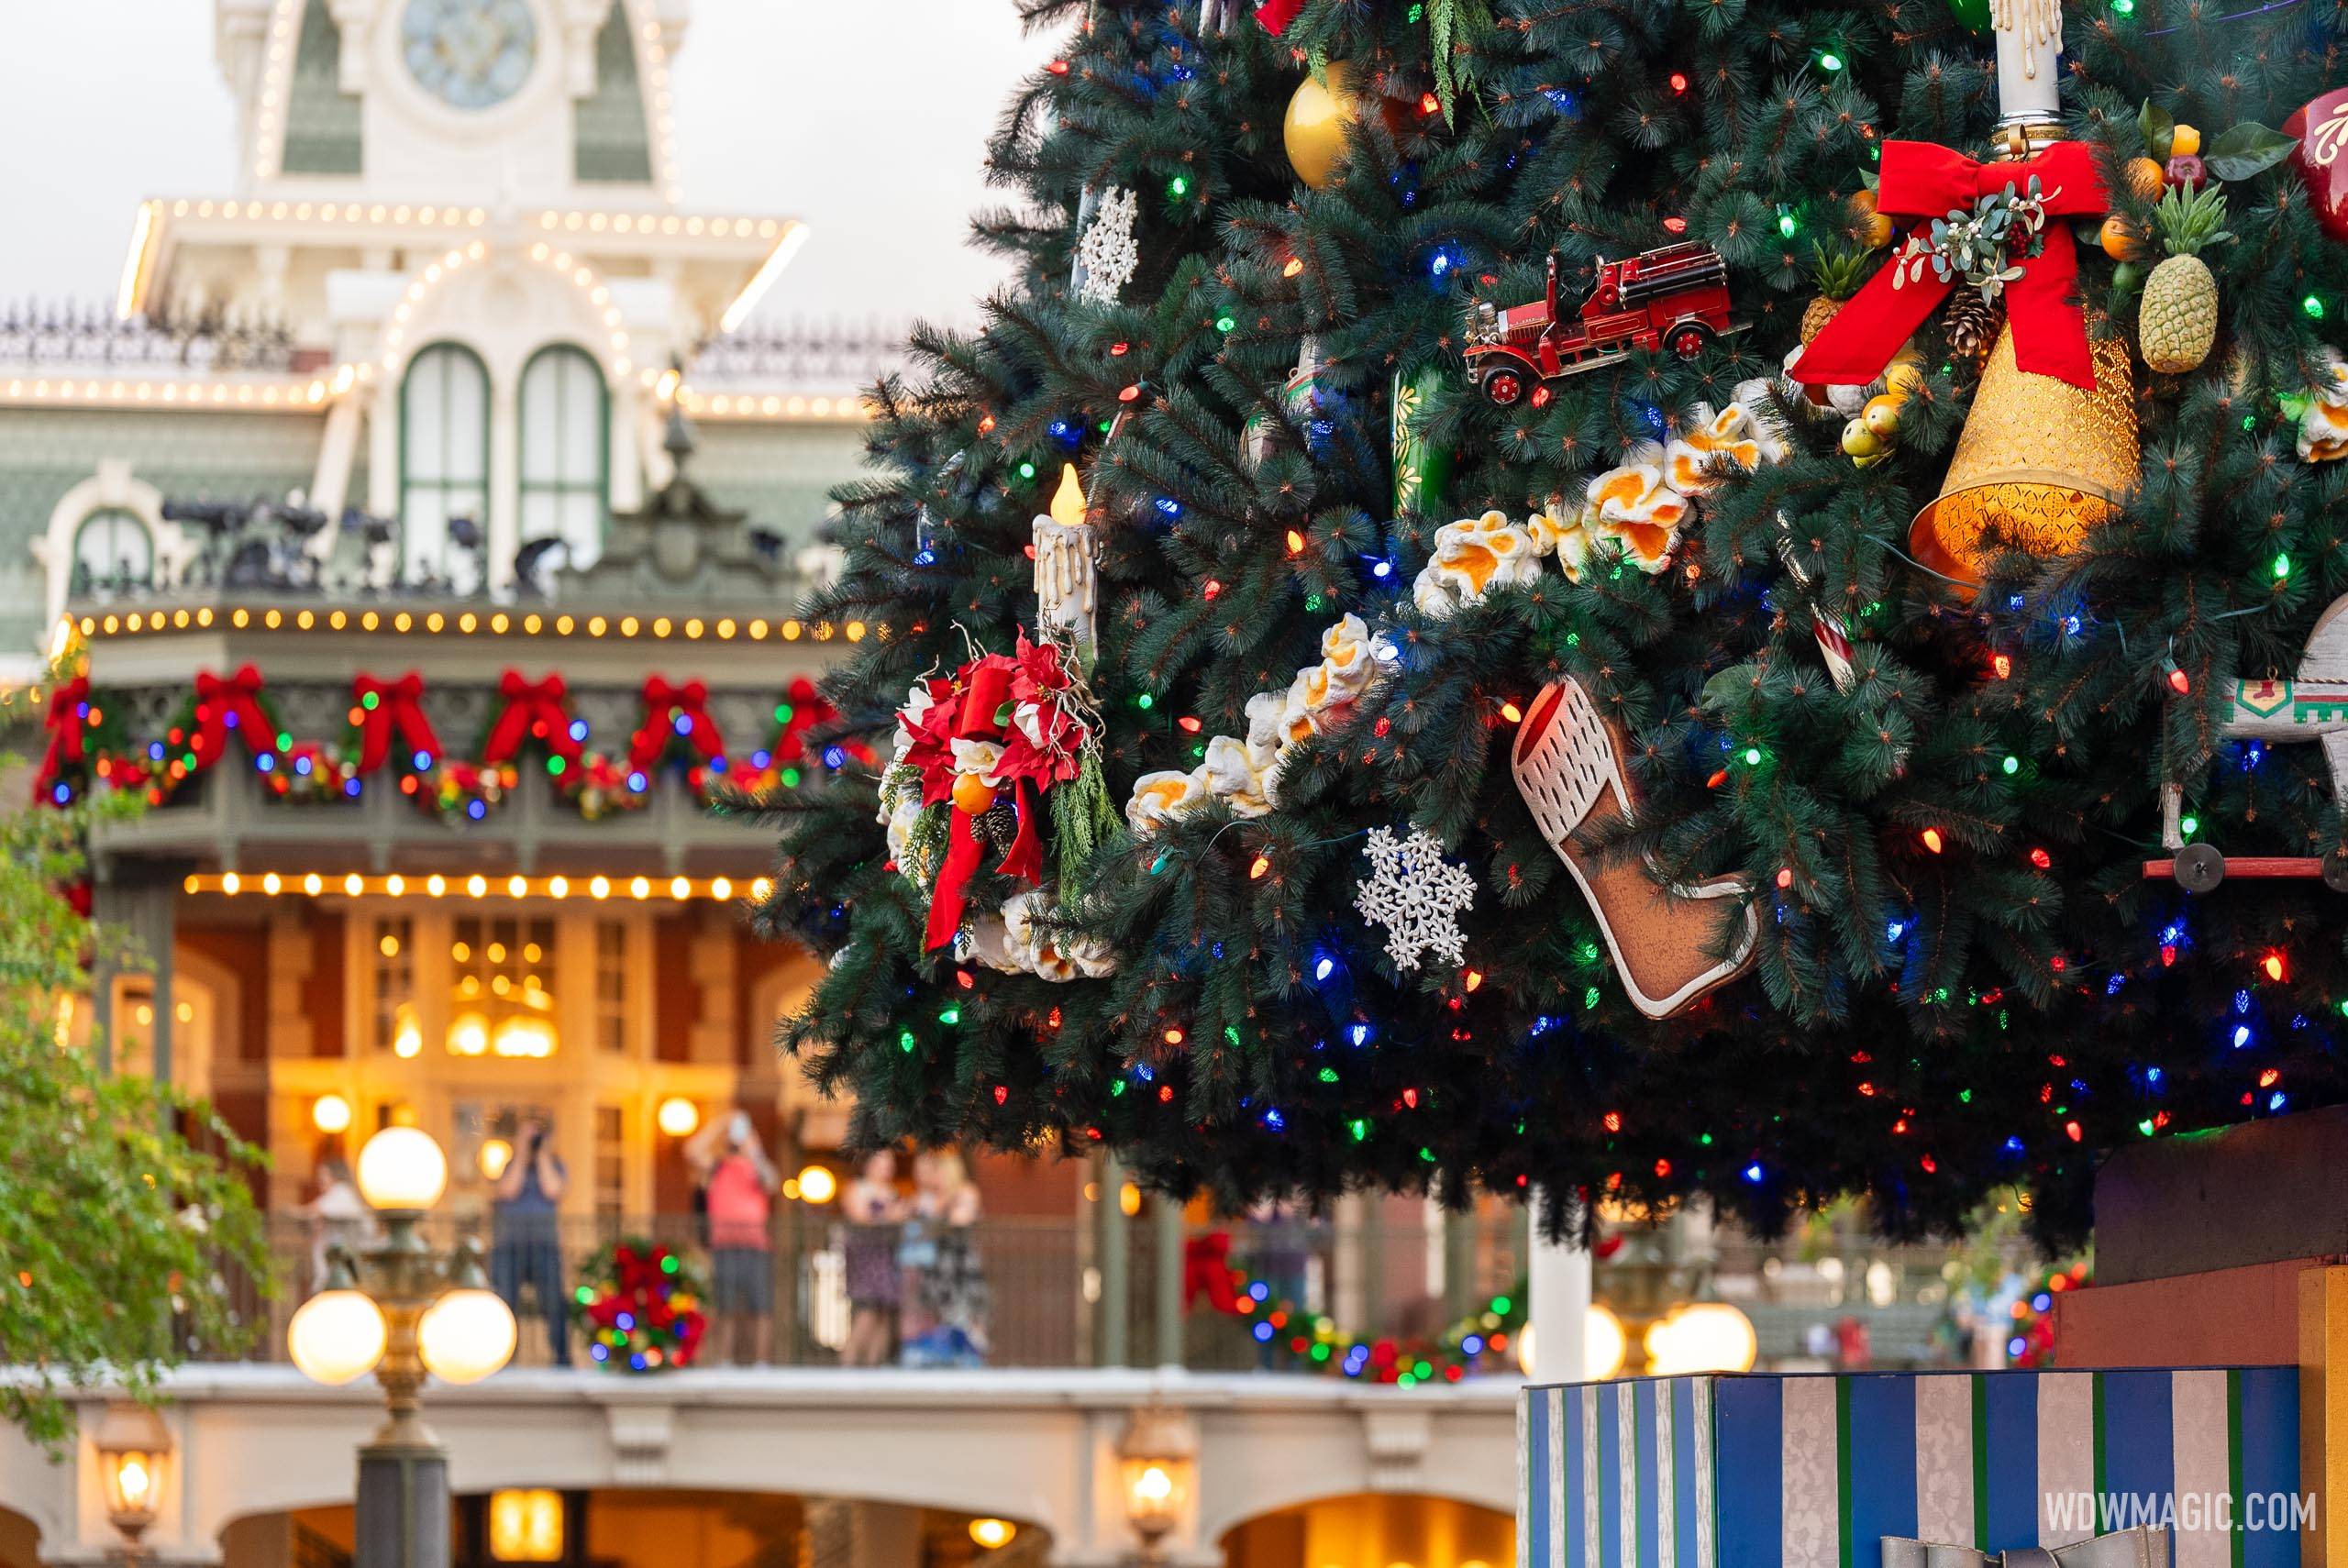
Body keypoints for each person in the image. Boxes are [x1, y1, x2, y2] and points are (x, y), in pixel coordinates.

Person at [687, 1110, 781, 1365]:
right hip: (723, 1244)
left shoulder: (756, 1165)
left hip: (756, 1244)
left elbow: (772, 1182)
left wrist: (755, 1149)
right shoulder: (717, 1165)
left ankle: (761, 1362)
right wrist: (719, 1124)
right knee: (725, 1305)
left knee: (760, 1306)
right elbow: (691, 1151)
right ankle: (725, 1359)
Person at [491, 1115, 570, 1366]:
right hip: (509, 1244)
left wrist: (542, 1153)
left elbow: (553, 1190)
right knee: (506, 1301)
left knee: (553, 1302)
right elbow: (507, 1190)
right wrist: (522, 1155)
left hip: (545, 1244)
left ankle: (561, 1357)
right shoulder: (509, 1165)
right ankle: (506, 1358)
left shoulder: (555, 1165)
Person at [899, 1149, 989, 1367]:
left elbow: (959, 1220)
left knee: (965, 1309)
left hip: (960, 1263)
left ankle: (972, 1357)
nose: (933, 1175)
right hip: (938, 1262)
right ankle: (942, 1356)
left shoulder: (965, 1192)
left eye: (938, 1170)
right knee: (939, 1309)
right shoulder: (932, 1198)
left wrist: (937, 1216)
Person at [838, 1150, 905, 1366]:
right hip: (865, 1258)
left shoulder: (892, 1192)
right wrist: (889, 1216)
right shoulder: (856, 1188)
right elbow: (859, 1218)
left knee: (884, 1313)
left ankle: (874, 1368)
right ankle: (847, 1366)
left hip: (887, 1257)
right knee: (866, 1311)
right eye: (881, 1161)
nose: (887, 1166)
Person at [305, 1143, 373, 1295]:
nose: (319, 1179)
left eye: (323, 1174)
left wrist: (295, 1213)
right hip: (334, 1264)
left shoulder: (341, 1192)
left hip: (342, 1265)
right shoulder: (336, 1195)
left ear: (334, 1175)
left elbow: (315, 1210)